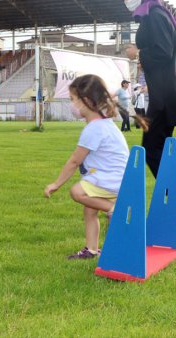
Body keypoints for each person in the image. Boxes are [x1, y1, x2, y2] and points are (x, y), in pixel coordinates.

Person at [121, 0, 176, 221]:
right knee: (156, 147)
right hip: (165, 91)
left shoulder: (154, 15)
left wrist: (138, 53)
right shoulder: (152, 15)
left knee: (151, 148)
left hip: (167, 95)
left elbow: (164, 52)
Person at [44, 75, 132, 259]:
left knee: (78, 192)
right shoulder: (104, 124)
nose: (71, 105)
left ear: (86, 101)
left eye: (72, 99)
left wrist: (56, 184)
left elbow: (74, 161)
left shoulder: (94, 128)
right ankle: (91, 250)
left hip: (112, 179)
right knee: (89, 210)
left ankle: (114, 210)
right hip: (116, 177)